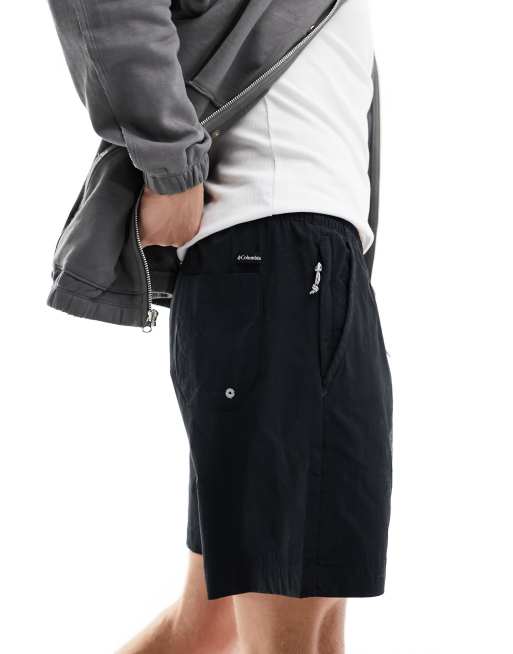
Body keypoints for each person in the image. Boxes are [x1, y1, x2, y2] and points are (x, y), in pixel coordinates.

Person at [47, 0, 393, 651]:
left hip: (309, 265)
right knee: (297, 617)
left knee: (210, 625)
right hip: (280, 256)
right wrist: (171, 167)